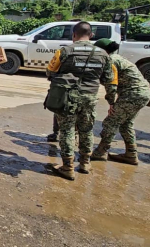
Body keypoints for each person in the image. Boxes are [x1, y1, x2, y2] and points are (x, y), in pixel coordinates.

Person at [46, 22, 115, 180]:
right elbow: (109, 80)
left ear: (73, 34)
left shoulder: (64, 51)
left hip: (68, 98)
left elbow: (49, 72)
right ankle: (85, 163)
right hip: (90, 98)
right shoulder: (103, 54)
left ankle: (67, 166)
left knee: (67, 130)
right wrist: (112, 101)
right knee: (86, 130)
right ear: (91, 35)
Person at [91, 38, 150, 165]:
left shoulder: (110, 61)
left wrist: (111, 103)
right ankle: (131, 154)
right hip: (142, 93)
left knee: (110, 122)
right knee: (126, 124)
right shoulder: (117, 58)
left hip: (132, 94)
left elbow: (111, 84)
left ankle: (100, 152)